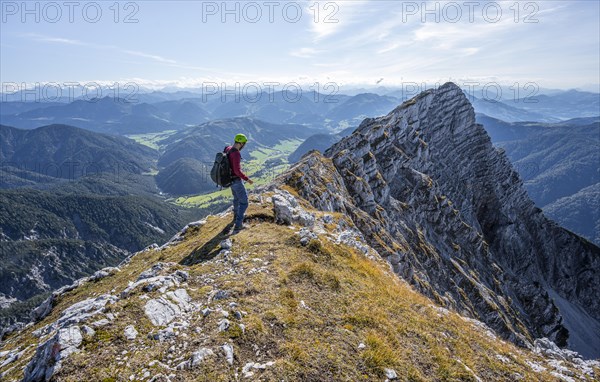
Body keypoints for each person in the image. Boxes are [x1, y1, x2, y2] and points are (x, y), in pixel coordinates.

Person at [225, 134, 254, 232]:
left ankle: (236, 217)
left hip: (230, 180)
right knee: (244, 202)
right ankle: (238, 225)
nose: (244, 145)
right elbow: (237, 171)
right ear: (241, 143)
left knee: (236, 199)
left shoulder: (228, 148)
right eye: (244, 144)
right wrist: (247, 179)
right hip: (236, 180)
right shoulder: (236, 153)